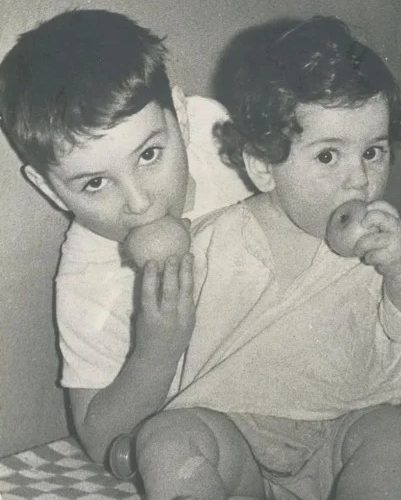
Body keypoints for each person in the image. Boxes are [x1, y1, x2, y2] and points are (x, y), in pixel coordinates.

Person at [135, 16, 401, 500]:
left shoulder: (384, 245)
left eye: (373, 152)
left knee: (398, 434)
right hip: (236, 435)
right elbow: (169, 338)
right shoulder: (215, 242)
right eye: (328, 156)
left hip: (340, 434)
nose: (358, 179)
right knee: (167, 438)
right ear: (263, 166)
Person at [0, 8, 252, 474]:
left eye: (149, 154)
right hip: (231, 439)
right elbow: (100, 441)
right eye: (95, 183)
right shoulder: (89, 277)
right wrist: (157, 351)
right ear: (48, 188)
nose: (139, 203)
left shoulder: (216, 135)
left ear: (183, 117)